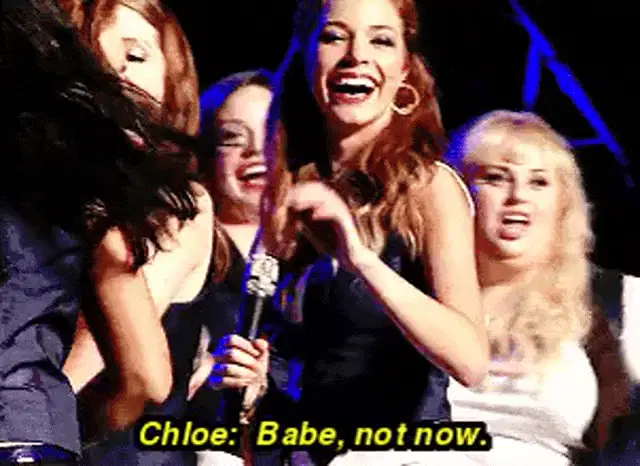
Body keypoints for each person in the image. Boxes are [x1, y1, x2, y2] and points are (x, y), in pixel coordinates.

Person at [226, 0, 489, 463]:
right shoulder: (290, 192)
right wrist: (254, 390)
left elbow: (470, 360)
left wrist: (362, 260)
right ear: (306, 57)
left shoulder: (429, 189)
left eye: (381, 40)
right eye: (334, 37)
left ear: (404, 69)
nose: (356, 56)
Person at [0, 0, 201, 463]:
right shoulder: (74, 171)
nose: (115, 74)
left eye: (135, 55)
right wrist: (52, 421)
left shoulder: (157, 200)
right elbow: (147, 375)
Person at [411, 110, 629, 465]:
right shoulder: (408, 299)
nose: (517, 196)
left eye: (538, 182)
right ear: (456, 197)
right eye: (496, 178)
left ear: (562, 205)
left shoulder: (618, 301)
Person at [51, 1, 218, 465]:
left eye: (136, 55)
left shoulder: (179, 205)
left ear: (171, 77)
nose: (116, 72)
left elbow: (113, 367)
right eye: (94, 54)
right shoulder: (46, 197)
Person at [186, 69, 289, 466]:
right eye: (233, 138)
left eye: (271, 132)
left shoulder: (321, 255)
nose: (255, 151)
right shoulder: (183, 245)